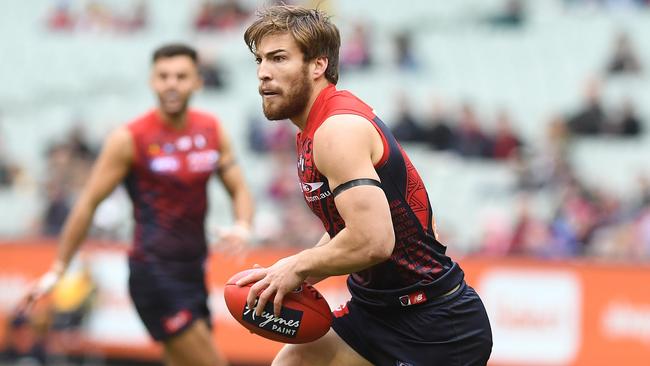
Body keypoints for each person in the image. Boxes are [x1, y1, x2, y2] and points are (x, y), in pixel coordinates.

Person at [237, 5, 492, 366]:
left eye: (279, 58)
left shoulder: (337, 130)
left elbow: (374, 241)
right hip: (376, 313)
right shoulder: (315, 129)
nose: (263, 73)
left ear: (317, 65)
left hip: (435, 327)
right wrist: (286, 277)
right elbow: (352, 229)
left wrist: (298, 266)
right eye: (259, 60)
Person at [24, 43, 254, 366]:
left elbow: (239, 187)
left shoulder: (211, 129)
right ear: (151, 81)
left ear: (197, 82)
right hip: (154, 271)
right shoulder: (131, 138)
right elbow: (88, 203)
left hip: (194, 270)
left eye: (181, 76)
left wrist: (243, 224)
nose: (171, 83)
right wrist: (58, 268)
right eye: (163, 76)